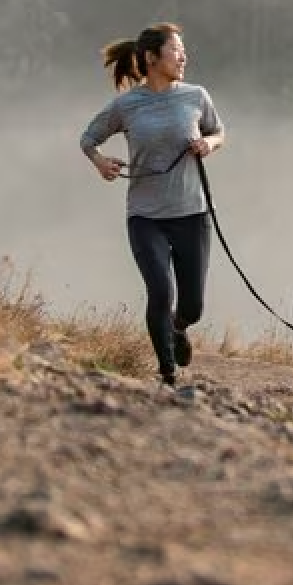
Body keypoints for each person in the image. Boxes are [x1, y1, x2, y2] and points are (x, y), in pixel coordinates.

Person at [80, 22, 225, 388]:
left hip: (192, 213)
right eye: (176, 50)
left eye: (182, 49)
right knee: (160, 291)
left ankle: (178, 327)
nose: (183, 56)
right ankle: (167, 373)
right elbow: (88, 138)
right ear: (151, 58)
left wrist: (209, 144)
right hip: (146, 217)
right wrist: (100, 162)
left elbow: (218, 131)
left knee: (192, 306)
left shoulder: (196, 96)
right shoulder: (127, 105)